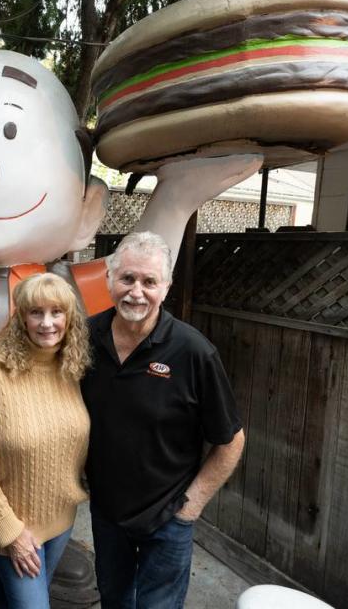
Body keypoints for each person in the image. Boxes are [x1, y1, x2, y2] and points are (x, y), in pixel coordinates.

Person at [80, 231, 246, 609]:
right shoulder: (86, 338)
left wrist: (191, 506)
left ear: (166, 287)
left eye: (149, 281)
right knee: (113, 601)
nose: (136, 291)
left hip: (168, 518)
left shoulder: (192, 351)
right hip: (107, 513)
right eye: (127, 278)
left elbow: (231, 439)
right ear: (108, 279)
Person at [0, 273, 91, 608]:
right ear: (22, 318)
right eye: (36, 313)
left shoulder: (72, 368)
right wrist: (10, 532)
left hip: (61, 520)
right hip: (13, 528)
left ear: (69, 318)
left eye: (56, 312)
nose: (47, 323)